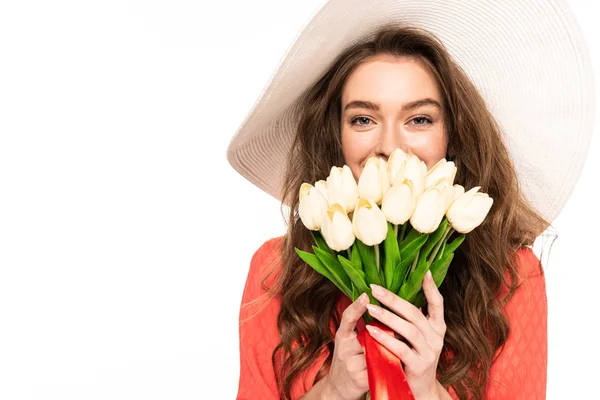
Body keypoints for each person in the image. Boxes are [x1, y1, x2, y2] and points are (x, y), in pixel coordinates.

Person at [226, 1, 595, 399]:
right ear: (336, 136)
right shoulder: (276, 270)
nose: (389, 146)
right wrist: (333, 391)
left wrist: (426, 388)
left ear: (451, 135)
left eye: (419, 119)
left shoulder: (511, 276)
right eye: (363, 119)